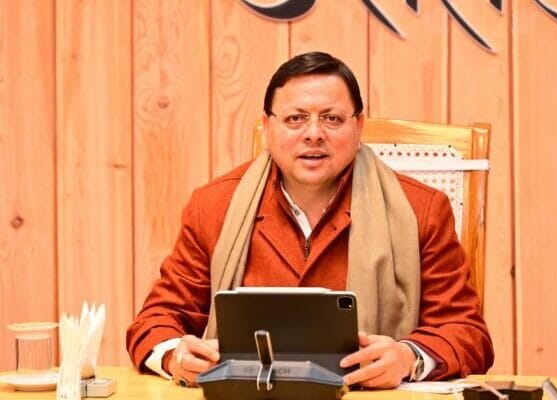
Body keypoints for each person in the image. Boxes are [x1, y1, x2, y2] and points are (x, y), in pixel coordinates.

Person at [126, 51, 494, 389]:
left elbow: (466, 332)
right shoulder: (214, 206)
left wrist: (409, 357)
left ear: (359, 125)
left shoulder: (421, 210)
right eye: (295, 119)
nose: (314, 134)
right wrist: (175, 356)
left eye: (332, 119)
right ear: (268, 127)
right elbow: (157, 319)